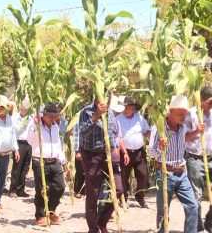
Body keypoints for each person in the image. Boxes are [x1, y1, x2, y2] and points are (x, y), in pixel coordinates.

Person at [149, 95, 198, 233]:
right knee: (163, 211)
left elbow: (183, 141)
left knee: (192, 206)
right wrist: (160, 146)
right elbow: (150, 153)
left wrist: (196, 131)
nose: (184, 117)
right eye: (180, 114)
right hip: (165, 173)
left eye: (185, 114)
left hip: (182, 173)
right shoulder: (157, 128)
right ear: (170, 112)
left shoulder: (182, 128)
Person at [78, 93, 123, 233]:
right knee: (93, 194)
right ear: (96, 98)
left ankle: (101, 221)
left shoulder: (110, 112)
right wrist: (96, 115)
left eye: (108, 98)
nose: (106, 101)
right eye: (103, 98)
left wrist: (115, 147)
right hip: (92, 156)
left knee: (118, 189)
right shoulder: (86, 111)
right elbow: (82, 132)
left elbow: (113, 131)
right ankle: (93, 229)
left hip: (109, 155)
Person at [26, 102, 69, 227]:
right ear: (43, 115)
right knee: (42, 189)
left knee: (60, 187)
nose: (52, 118)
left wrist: (63, 161)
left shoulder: (55, 127)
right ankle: (40, 215)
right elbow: (29, 140)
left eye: (54, 116)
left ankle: (50, 210)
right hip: (40, 161)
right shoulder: (36, 125)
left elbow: (58, 145)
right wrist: (35, 124)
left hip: (54, 161)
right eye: (49, 116)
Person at [184, 86, 212, 232]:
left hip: (211, 157)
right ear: (201, 99)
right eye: (210, 102)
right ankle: (197, 227)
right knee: (196, 195)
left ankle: (209, 221)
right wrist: (197, 131)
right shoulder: (190, 114)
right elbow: (183, 138)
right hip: (195, 159)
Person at [116, 96, 150, 208]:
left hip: (139, 151)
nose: (126, 109)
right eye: (125, 107)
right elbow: (118, 137)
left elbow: (146, 131)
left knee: (143, 174)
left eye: (128, 107)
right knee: (123, 176)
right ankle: (123, 199)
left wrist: (152, 133)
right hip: (124, 152)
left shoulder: (140, 119)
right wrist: (124, 152)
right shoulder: (118, 119)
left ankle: (139, 196)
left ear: (133, 108)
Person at [9, 97, 32, 198]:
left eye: (27, 110)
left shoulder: (30, 118)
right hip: (19, 143)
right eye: (24, 109)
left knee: (25, 168)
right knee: (17, 167)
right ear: (21, 109)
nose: (25, 111)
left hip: (28, 144)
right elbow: (16, 131)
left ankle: (21, 189)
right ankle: (13, 189)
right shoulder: (15, 118)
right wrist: (24, 122)